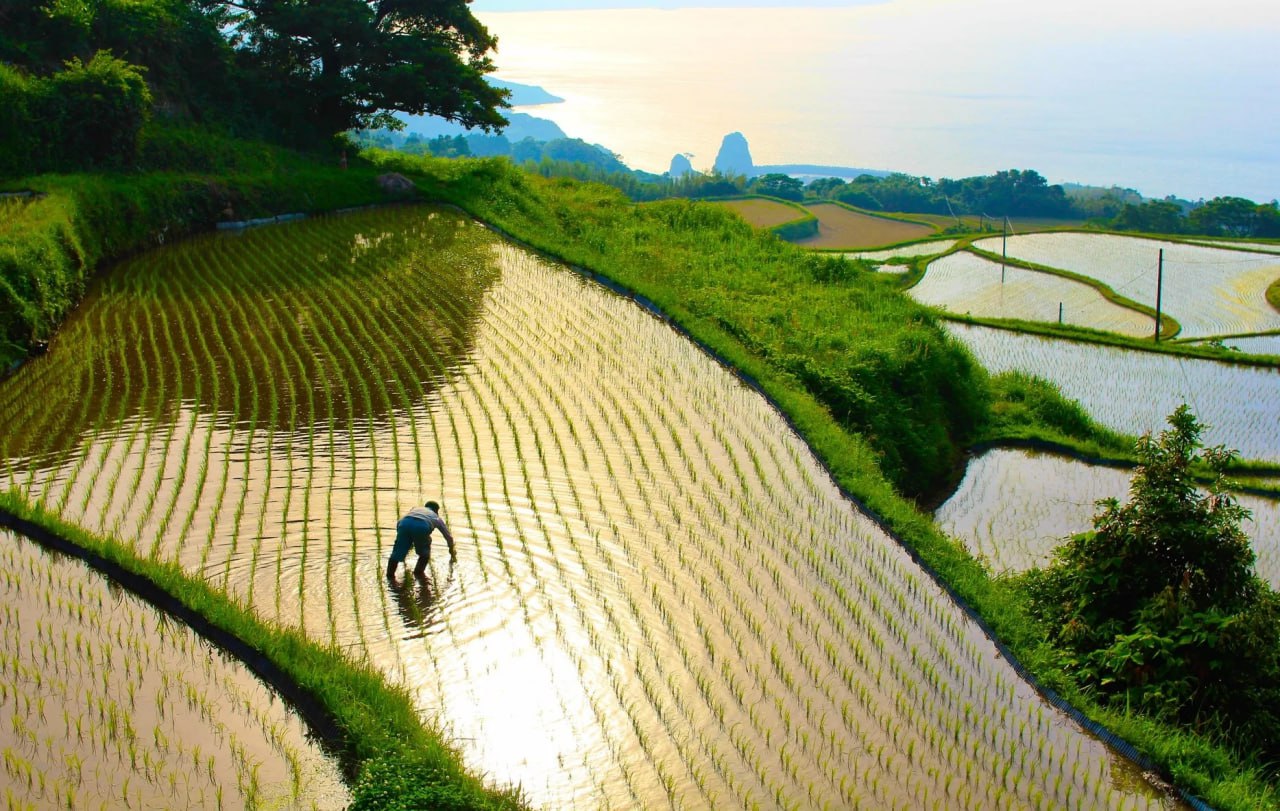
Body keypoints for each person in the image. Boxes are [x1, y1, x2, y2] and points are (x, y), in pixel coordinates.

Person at [387, 500, 455, 579]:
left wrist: (405, 539)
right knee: (424, 554)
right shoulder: (436, 517)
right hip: (422, 526)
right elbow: (448, 536)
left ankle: (390, 576)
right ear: (436, 510)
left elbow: (400, 522)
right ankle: (418, 575)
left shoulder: (415, 509)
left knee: (396, 553)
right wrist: (451, 549)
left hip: (404, 524)